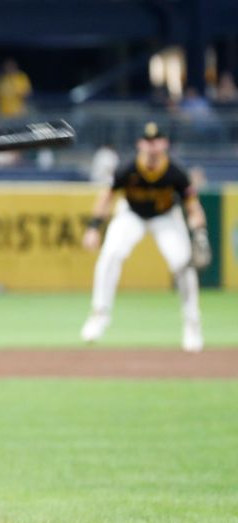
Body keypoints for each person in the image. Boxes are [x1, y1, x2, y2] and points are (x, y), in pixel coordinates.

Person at [80, 122, 208, 352]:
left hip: (166, 217)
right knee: (111, 254)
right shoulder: (128, 167)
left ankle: (192, 324)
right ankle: (100, 314)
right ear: (140, 144)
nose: (152, 146)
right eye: (148, 141)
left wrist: (199, 232)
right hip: (132, 214)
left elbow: (193, 205)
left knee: (183, 264)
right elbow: (106, 196)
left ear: (165, 144)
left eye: (157, 140)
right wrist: (93, 227)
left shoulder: (175, 171)